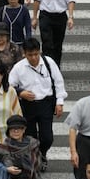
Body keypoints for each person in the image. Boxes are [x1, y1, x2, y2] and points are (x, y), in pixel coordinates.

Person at [9, 37, 67, 172]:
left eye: (36, 54)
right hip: (27, 106)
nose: (34, 58)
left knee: (47, 137)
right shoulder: (18, 68)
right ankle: (35, 160)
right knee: (31, 137)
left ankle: (42, 154)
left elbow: (58, 83)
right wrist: (21, 92)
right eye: (30, 55)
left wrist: (60, 102)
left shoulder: (49, 63)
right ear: (24, 53)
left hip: (46, 104)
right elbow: (10, 86)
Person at [31, 0, 75, 67]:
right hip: (45, 15)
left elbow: (71, 0)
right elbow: (37, 0)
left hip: (60, 16)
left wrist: (70, 17)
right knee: (47, 45)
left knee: (58, 45)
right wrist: (34, 17)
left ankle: (56, 68)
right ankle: (47, 68)